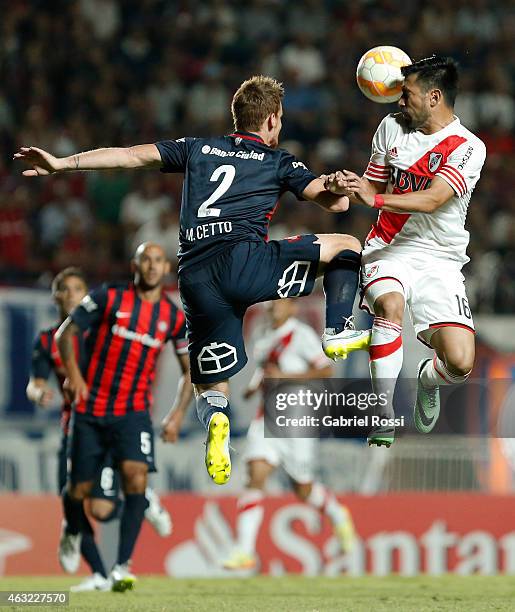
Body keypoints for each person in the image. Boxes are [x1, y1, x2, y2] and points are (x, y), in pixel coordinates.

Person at [14, 75, 371, 488]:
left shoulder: (197, 148)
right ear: (273, 120)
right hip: (245, 262)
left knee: (208, 383)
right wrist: (336, 185)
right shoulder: (279, 161)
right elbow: (334, 202)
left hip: (197, 277)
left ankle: (216, 421)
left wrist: (62, 164)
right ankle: (338, 329)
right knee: (346, 245)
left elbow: (130, 157)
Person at [325, 56, 486, 446]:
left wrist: (374, 197)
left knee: (461, 362)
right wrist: (345, 185)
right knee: (390, 307)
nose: (398, 102)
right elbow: (372, 183)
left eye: (407, 95)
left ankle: (428, 380)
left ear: (434, 97)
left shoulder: (468, 148)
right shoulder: (390, 129)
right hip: (389, 247)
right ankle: (382, 412)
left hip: (441, 260)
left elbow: (433, 199)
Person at [27, 266, 176, 592]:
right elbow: (34, 383)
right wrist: (40, 393)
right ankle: (98, 573)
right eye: (65, 290)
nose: (72, 295)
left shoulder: (99, 331)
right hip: (75, 425)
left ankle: (143, 501)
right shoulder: (47, 340)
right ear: (56, 297)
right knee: (86, 503)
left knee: (102, 506)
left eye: (78, 289)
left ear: (86, 296)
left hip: (110, 418)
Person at [54, 243, 192, 592]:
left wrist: (176, 415)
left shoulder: (173, 317)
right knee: (78, 492)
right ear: (135, 265)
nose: (151, 266)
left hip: (132, 413)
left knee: (136, 478)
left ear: (166, 269)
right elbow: (66, 332)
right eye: (146, 259)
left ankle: (121, 566)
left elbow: (189, 372)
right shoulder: (109, 298)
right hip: (91, 410)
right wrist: (74, 375)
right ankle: (71, 529)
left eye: (158, 261)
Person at [223, 299, 355, 571]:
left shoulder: (301, 335)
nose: (274, 307)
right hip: (265, 418)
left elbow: (326, 370)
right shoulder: (263, 337)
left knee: (303, 488)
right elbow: (265, 369)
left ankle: (335, 512)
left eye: (280, 303)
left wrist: (285, 377)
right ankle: (244, 551)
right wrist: (253, 386)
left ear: (293, 308)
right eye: (271, 303)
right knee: (255, 473)